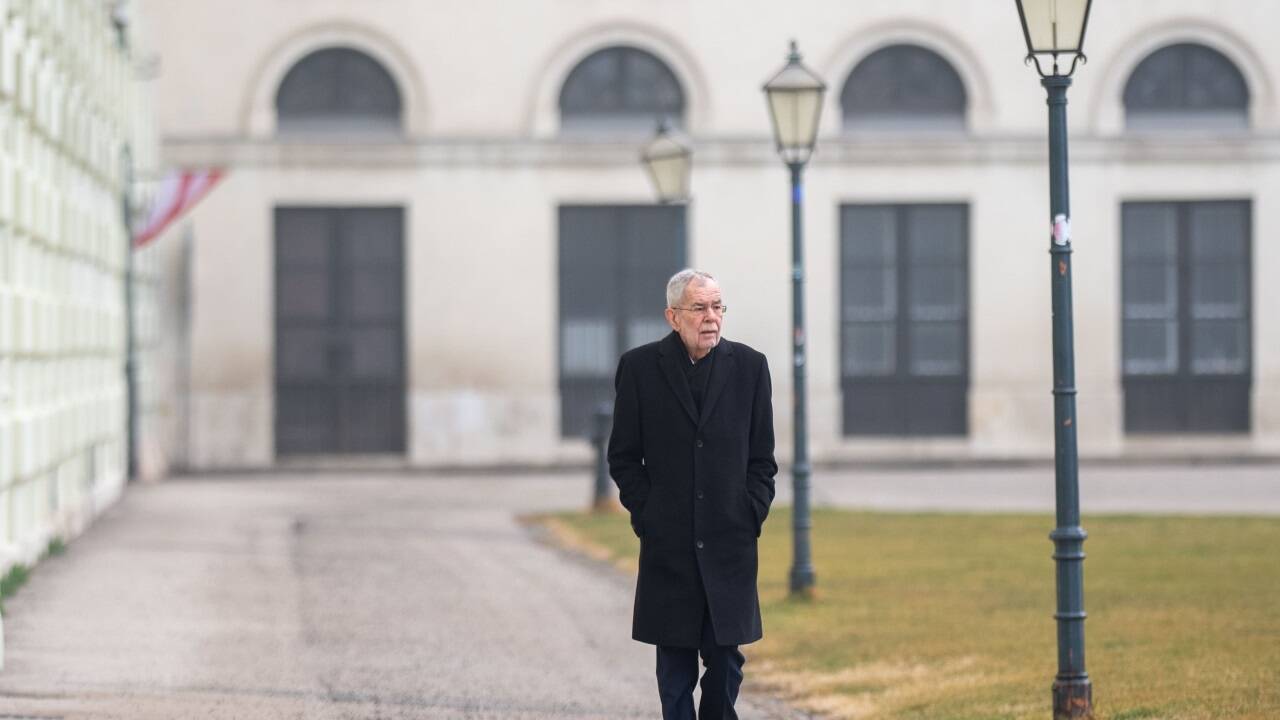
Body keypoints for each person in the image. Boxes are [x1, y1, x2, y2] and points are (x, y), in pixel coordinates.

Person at [608, 268, 777, 720]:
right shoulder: (640, 369)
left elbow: (763, 458)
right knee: (675, 668)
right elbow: (624, 458)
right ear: (672, 316)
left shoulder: (750, 367)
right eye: (699, 308)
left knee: (726, 662)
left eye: (717, 307)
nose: (711, 317)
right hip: (670, 545)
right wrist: (649, 514)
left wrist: (751, 511)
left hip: (729, 541)